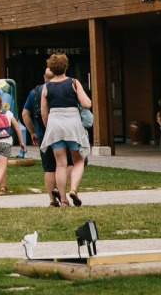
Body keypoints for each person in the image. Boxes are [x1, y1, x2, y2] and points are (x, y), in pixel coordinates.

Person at [40, 53, 93, 206]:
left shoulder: (46, 87)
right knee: (78, 160)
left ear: (51, 68)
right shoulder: (73, 82)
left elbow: (44, 113)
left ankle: (63, 200)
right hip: (73, 125)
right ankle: (74, 189)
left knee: (60, 164)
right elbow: (87, 104)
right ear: (66, 67)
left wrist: (49, 127)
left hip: (54, 124)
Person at [22, 68, 73, 206]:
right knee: (69, 163)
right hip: (62, 133)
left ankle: (52, 201)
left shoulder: (35, 92)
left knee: (49, 168)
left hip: (43, 135)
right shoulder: (64, 89)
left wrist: (33, 132)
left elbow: (25, 114)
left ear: (44, 76)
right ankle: (61, 192)